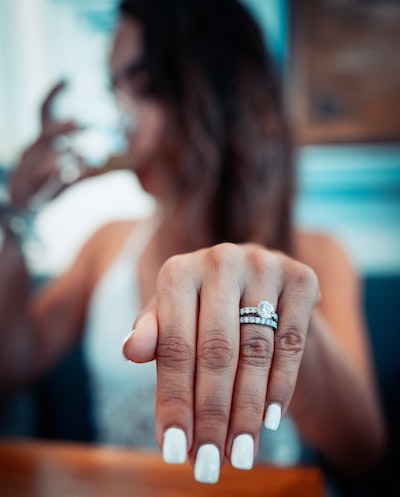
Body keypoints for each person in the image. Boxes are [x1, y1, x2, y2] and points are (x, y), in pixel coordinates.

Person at [0, 0, 385, 486]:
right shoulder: (107, 243)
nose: (120, 111)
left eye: (139, 85)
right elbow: (10, 366)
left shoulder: (316, 255)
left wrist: (286, 323)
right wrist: (16, 215)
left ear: (208, 90)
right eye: (112, 86)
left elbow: (364, 452)